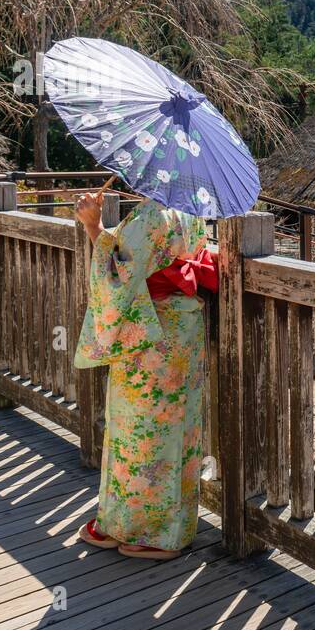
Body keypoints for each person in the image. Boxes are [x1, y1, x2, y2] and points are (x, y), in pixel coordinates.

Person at [73, 191, 214, 560]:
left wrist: (93, 225)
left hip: (150, 332)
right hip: (183, 328)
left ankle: (139, 529)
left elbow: (119, 274)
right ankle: (170, 528)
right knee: (176, 428)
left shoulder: (151, 216)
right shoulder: (191, 211)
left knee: (137, 430)